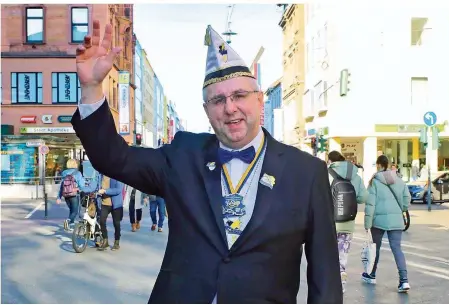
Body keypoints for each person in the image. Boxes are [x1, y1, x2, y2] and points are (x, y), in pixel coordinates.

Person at [71, 20, 342, 303]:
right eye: (218, 100)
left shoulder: (306, 172)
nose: (229, 108)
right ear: (206, 110)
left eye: (239, 95)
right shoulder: (184, 155)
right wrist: (91, 88)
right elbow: (114, 158)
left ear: (260, 100)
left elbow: (325, 276)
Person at [363, 155, 411, 293]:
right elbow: (407, 199)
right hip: (396, 220)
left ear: (378, 165)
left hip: (378, 221)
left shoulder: (374, 181)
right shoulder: (399, 180)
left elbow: (370, 204)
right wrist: (400, 209)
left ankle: (371, 275)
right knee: (397, 249)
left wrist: (367, 223)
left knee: (375, 248)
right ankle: (404, 280)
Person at [327, 151, 368, 294]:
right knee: (342, 252)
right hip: (348, 222)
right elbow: (363, 197)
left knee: (328, 253)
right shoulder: (355, 176)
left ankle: (330, 281)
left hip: (330, 222)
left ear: (330, 160)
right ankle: (341, 274)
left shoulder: (327, 174)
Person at [56, 159, 94, 231]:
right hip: (74, 195)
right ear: (75, 164)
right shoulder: (77, 173)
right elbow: (82, 185)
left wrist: (59, 197)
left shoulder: (64, 173)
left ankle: (70, 224)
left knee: (71, 210)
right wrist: (85, 187)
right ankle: (68, 220)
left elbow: (62, 186)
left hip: (66, 195)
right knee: (75, 211)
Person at [95, 173, 124, 251]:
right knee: (101, 221)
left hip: (116, 204)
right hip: (104, 203)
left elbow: (118, 190)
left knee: (116, 223)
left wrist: (105, 191)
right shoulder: (100, 175)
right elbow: (95, 185)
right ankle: (105, 241)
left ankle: (116, 242)